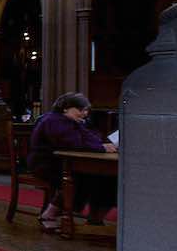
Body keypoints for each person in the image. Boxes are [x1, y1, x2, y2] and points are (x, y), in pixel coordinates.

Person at [28, 92, 118, 232]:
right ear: (66, 108)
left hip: (64, 162)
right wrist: (100, 147)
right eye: (80, 110)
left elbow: (95, 138)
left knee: (108, 178)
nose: (84, 113)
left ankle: (96, 218)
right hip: (47, 164)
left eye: (86, 110)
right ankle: (48, 215)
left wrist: (99, 143)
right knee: (82, 177)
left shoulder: (72, 121)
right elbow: (71, 143)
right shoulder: (53, 120)